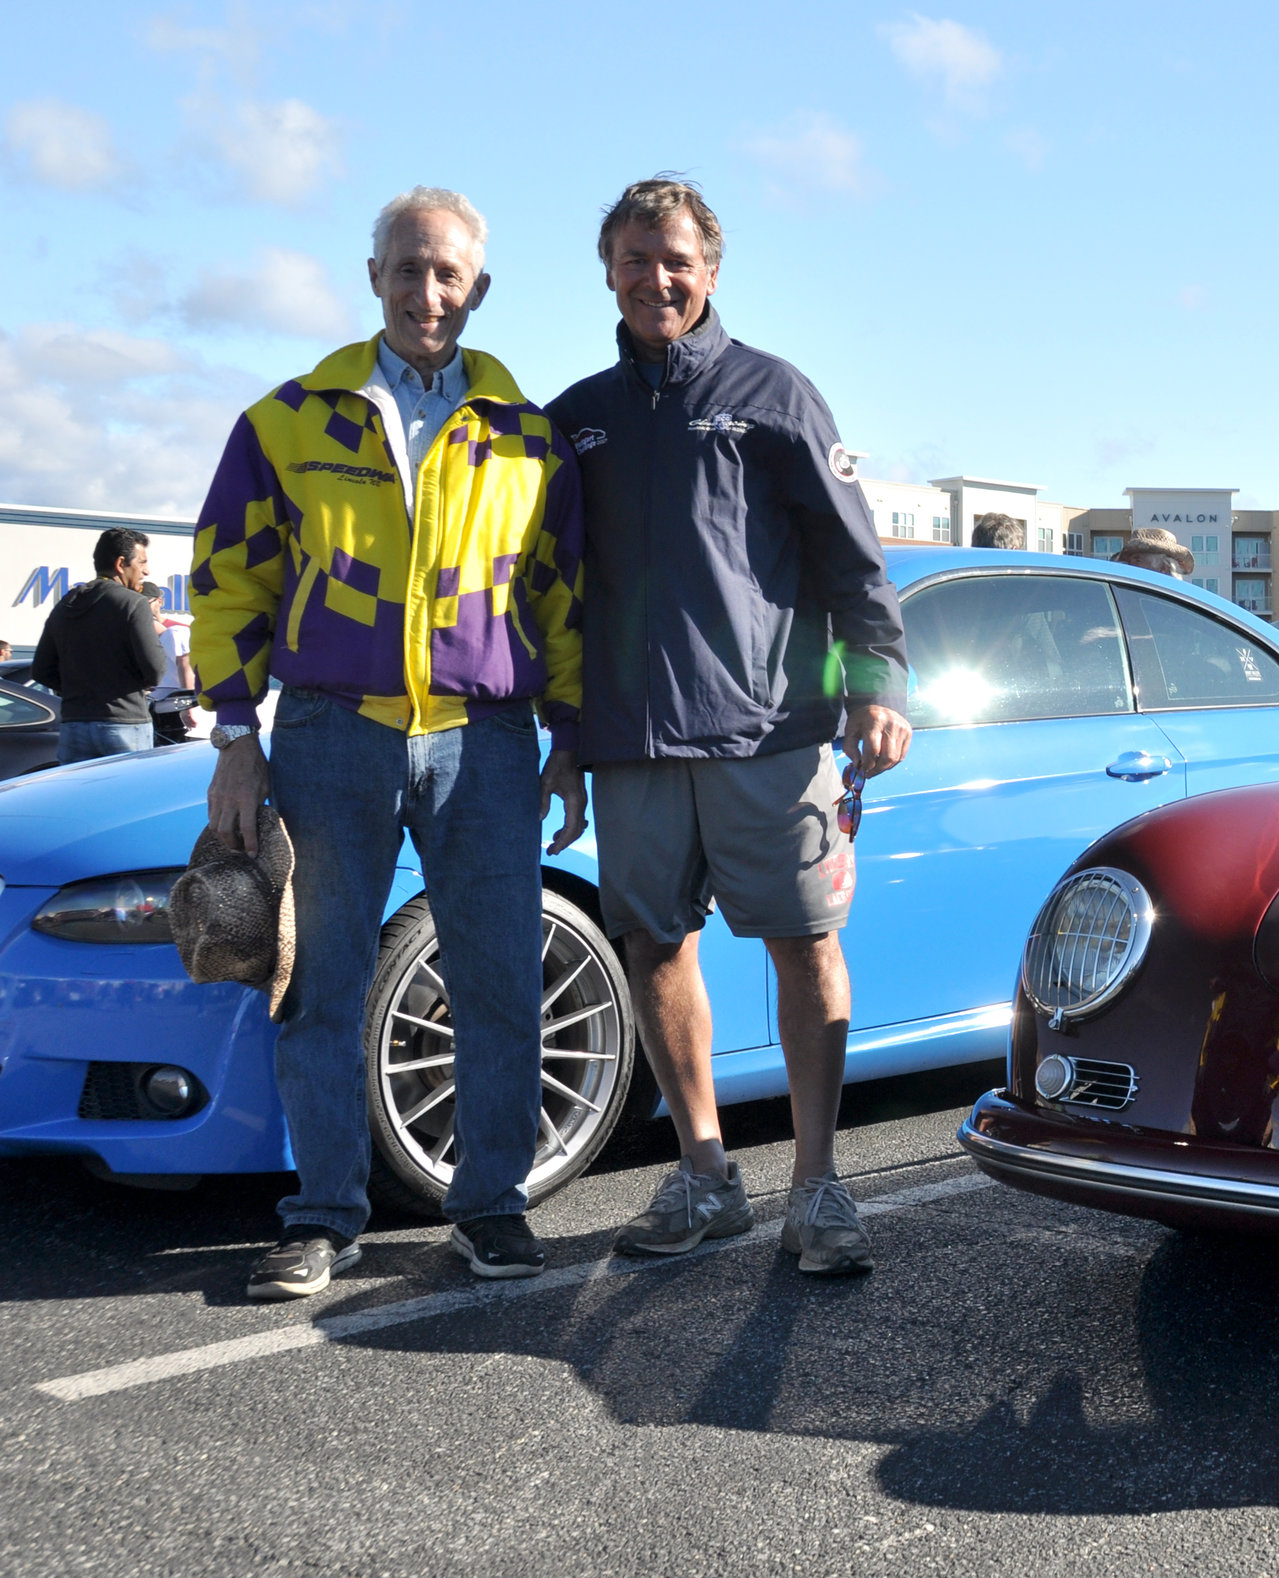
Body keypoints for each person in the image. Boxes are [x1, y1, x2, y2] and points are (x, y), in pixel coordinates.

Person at [192, 186, 586, 1298]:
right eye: (407, 269)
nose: (427, 292)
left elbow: (562, 598)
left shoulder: (527, 437)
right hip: (329, 737)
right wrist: (233, 731)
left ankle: (491, 1208)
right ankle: (323, 1214)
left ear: (479, 289)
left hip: (488, 741)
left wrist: (569, 737)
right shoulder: (289, 419)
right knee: (323, 982)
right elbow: (229, 577)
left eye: (447, 273)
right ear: (374, 278)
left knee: (501, 978)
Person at [548, 177, 911, 1278]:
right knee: (655, 947)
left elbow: (854, 560)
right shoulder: (578, 418)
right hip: (634, 743)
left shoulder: (775, 394)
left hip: (771, 735)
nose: (656, 277)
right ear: (605, 268)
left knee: (805, 947)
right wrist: (566, 735)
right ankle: (706, 1175)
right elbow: (558, 592)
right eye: (634, 257)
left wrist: (881, 680)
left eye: (676, 259)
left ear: (710, 271)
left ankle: (817, 1188)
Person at [32, 527, 164, 763]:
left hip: (74, 724)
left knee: (79, 799)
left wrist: (79, 688)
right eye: (142, 562)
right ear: (121, 563)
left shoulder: (66, 605)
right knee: (128, 798)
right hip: (124, 724)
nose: (146, 570)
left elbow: (41, 670)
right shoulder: (133, 603)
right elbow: (155, 670)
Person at [144, 581, 196, 746]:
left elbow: (185, 666)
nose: (140, 606)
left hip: (175, 703)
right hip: (151, 704)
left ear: (159, 601)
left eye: (145, 601)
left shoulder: (177, 630)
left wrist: (189, 706)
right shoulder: (135, 630)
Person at [1114, 527, 1192, 577]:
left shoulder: (1171, 598)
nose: (1130, 564)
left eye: (1138, 560)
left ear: (1164, 568)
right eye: (1128, 560)